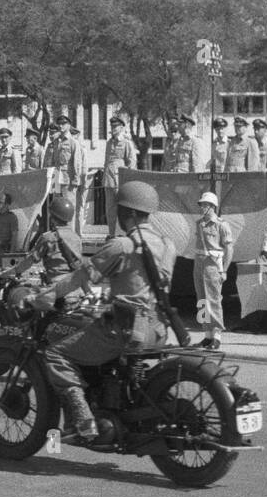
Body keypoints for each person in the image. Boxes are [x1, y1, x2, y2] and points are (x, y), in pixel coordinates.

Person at [36, 181, 175, 441]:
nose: (118, 215)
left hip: (124, 329)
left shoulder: (122, 246)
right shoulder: (168, 244)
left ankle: (83, 421)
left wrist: (45, 296)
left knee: (55, 353)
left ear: (129, 213)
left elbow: (82, 276)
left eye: (120, 209)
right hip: (158, 329)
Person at [0, 194, 82, 287]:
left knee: (23, 298)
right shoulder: (77, 238)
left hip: (56, 287)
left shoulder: (48, 238)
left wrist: (8, 272)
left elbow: (29, 262)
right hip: (74, 285)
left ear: (52, 217)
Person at [193, 191, 233, 350]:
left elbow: (229, 248)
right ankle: (207, 335)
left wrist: (225, 270)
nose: (202, 207)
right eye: (201, 205)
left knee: (214, 299)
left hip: (213, 265)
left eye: (204, 205)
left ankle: (217, 335)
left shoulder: (222, 225)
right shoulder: (199, 223)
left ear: (212, 207)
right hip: (199, 263)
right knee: (201, 300)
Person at [44, 114, 87, 234]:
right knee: (57, 208)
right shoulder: (57, 142)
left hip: (68, 179)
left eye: (63, 124)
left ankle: (70, 236)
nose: (61, 126)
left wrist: (75, 180)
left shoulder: (73, 142)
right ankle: (58, 235)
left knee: (69, 209)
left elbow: (77, 162)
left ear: (69, 126)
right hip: (57, 178)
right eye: (60, 124)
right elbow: (54, 162)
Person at [0, 193, 20, 267]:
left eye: (0, 202)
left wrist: (11, 254)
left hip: (3, 249)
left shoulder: (12, 217)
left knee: (2, 272)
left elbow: (14, 236)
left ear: (7, 204)